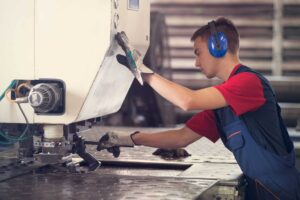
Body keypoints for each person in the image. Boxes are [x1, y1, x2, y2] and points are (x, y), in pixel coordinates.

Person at [98, 17, 300, 199]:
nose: (196, 63)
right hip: (259, 191)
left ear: (217, 46)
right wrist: (129, 138)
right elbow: (182, 137)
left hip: (279, 192)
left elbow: (188, 101)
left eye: (198, 53)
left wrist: (142, 71)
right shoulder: (222, 103)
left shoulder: (248, 82)